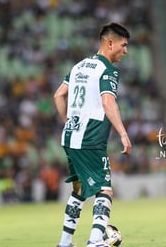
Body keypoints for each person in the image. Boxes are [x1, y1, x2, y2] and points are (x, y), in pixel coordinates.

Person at [53, 22, 132, 247]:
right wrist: (123, 134)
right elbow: (108, 101)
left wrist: (67, 122)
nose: (125, 51)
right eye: (123, 45)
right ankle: (96, 241)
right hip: (91, 139)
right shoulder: (107, 70)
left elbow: (59, 96)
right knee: (104, 189)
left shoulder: (78, 67)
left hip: (71, 137)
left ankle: (65, 242)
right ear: (109, 43)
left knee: (78, 190)